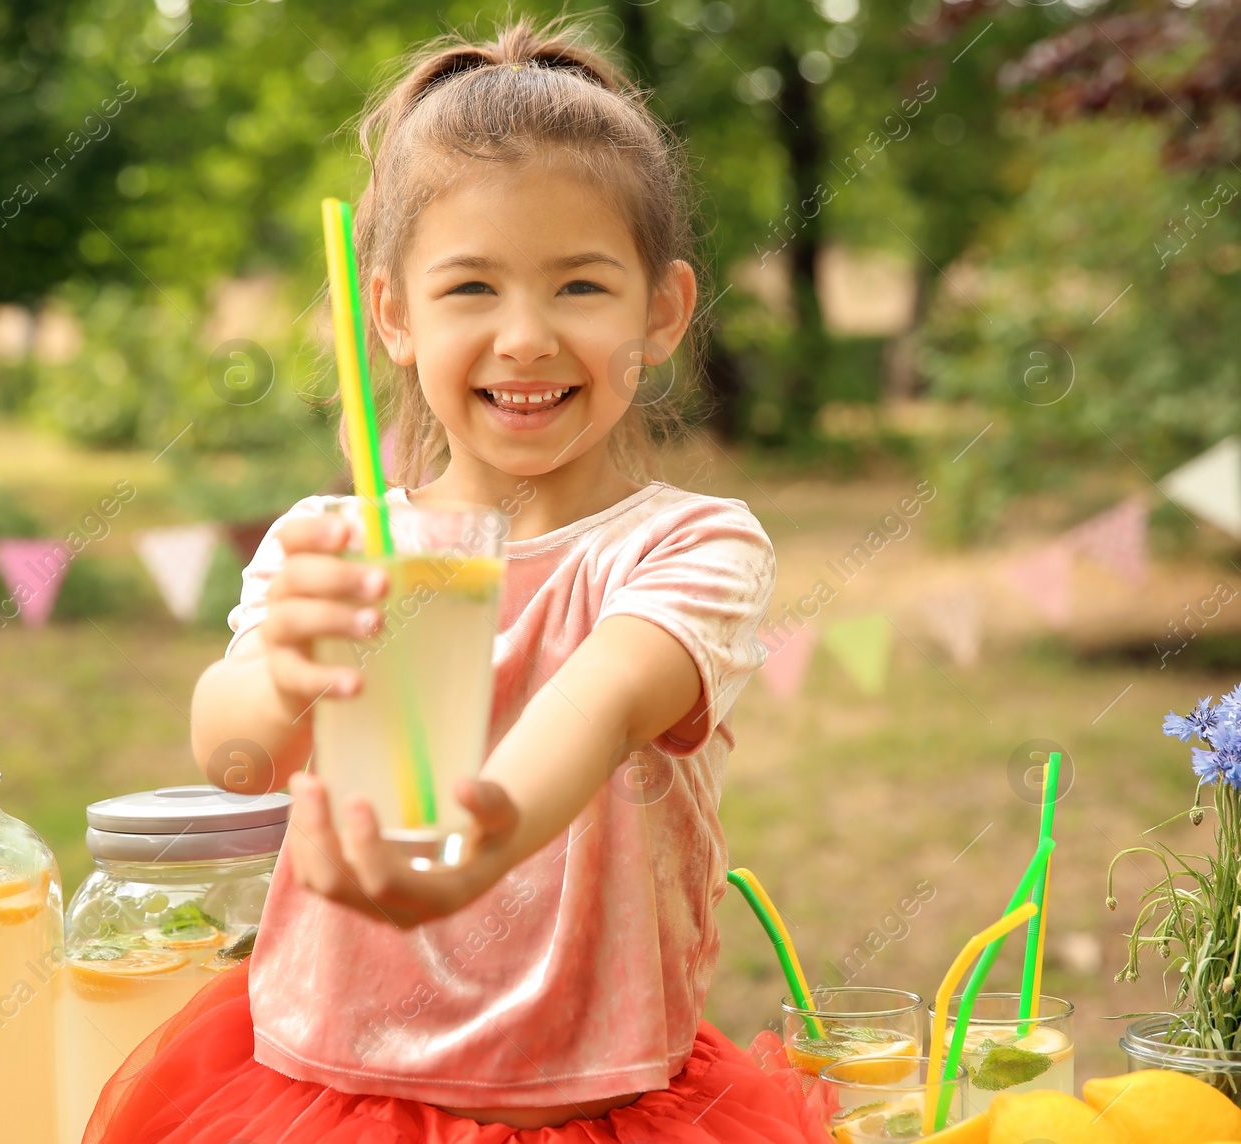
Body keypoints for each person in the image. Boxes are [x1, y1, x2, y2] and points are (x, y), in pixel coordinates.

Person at [89, 18, 824, 1144]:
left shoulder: (693, 550)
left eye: (580, 286)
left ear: (662, 312)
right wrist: (285, 672)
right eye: (470, 287)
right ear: (390, 312)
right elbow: (234, 757)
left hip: (600, 1102)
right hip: (325, 1087)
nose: (524, 337)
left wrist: (473, 843)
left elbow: (595, 698)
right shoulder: (330, 544)